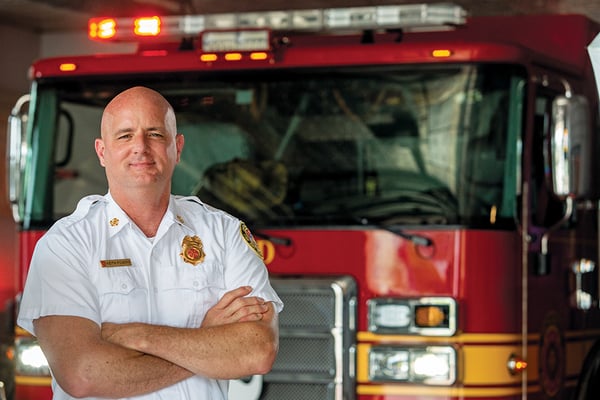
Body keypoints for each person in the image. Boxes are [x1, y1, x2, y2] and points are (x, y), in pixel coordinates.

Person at [16, 86, 283, 400]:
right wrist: (206, 341)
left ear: (177, 147)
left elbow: (258, 351)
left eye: (155, 134)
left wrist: (137, 336)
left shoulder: (223, 233)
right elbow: (83, 374)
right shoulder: (65, 245)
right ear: (102, 152)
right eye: (125, 135)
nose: (140, 147)